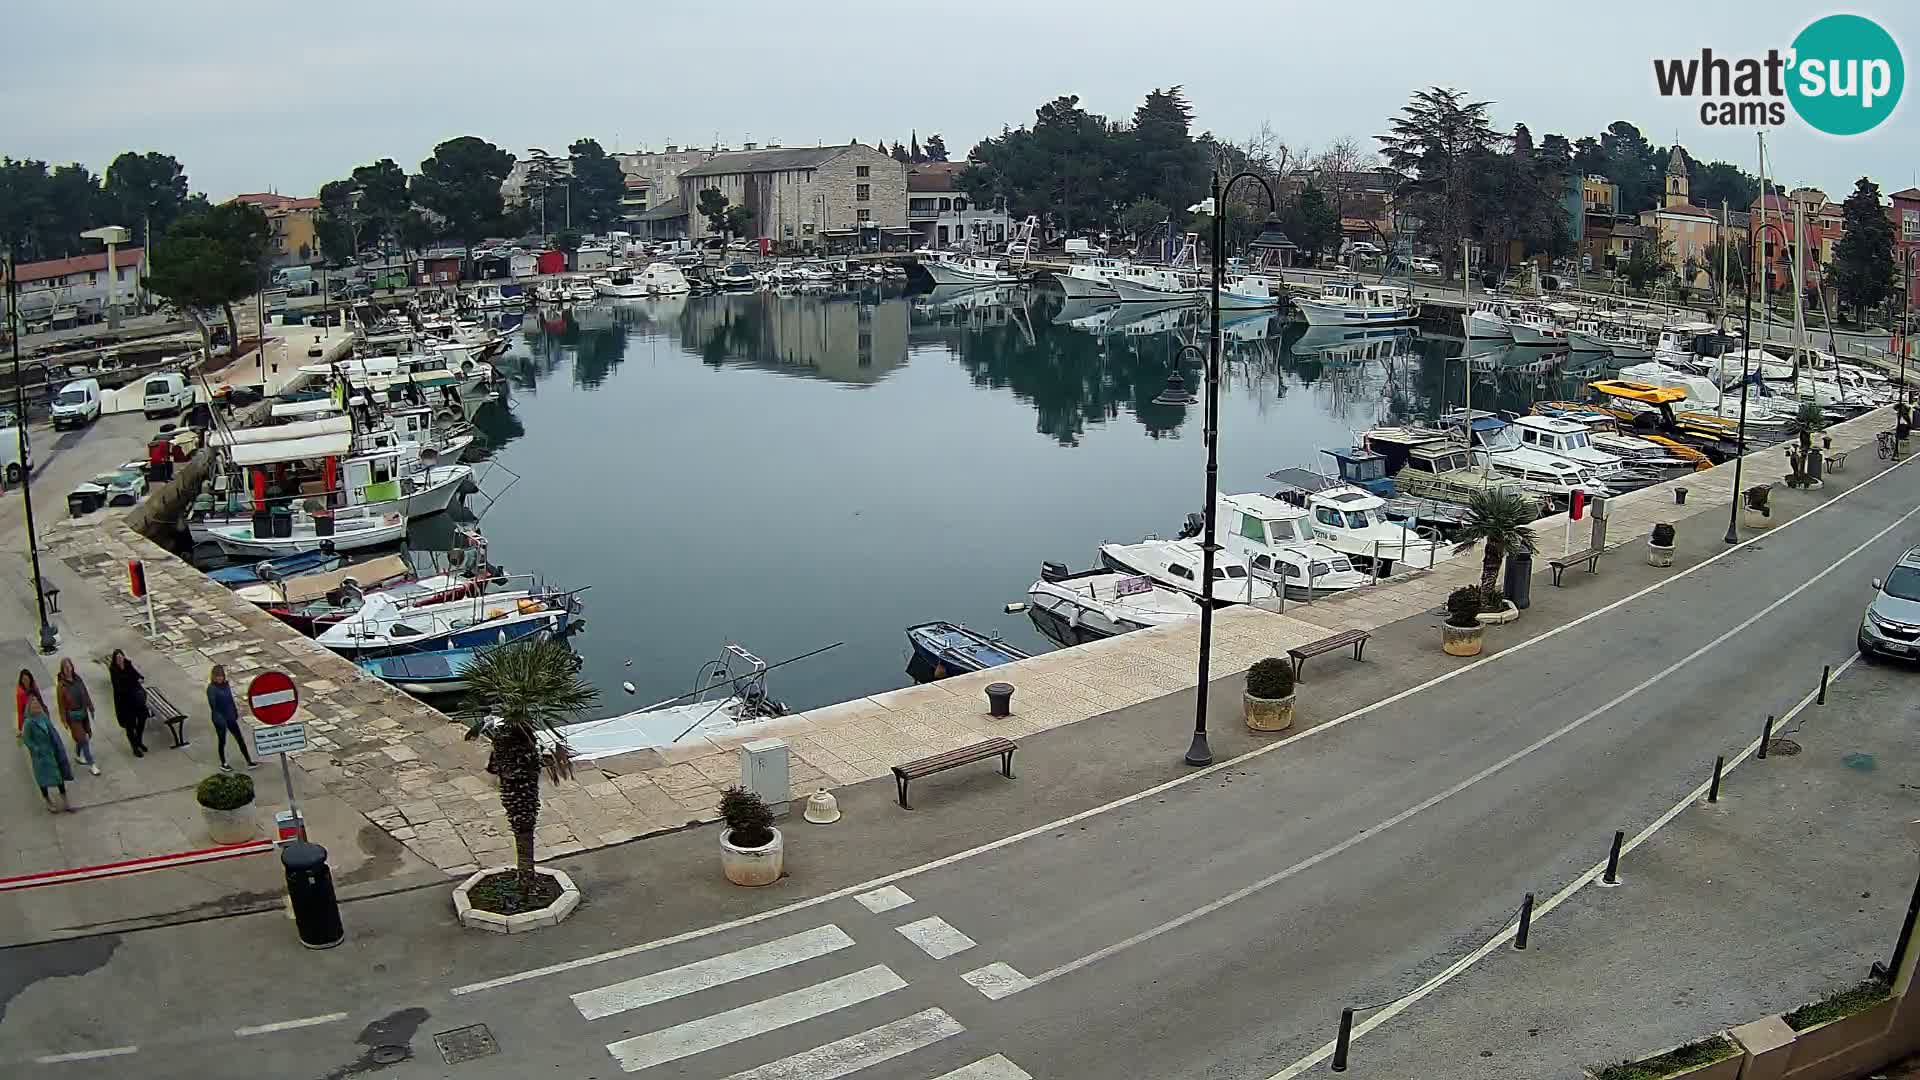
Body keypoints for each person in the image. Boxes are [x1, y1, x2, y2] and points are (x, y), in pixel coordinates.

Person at [17, 670, 73, 812]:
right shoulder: (29, 723)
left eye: (37, 704)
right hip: (40, 756)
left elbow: (53, 733)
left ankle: (65, 800)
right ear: (29, 708)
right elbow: (27, 739)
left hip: (51, 752)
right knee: (43, 780)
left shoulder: (43, 718)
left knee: (58, 777)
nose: (36, 707)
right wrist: (36, 750)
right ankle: (47, 800)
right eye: (33, 705)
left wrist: (58, 746)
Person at [54, 658, 100, 777]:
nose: (68, 669)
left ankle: (79, 756)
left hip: (83, 713)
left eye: (69, 666)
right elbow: (61, 704)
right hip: (73, 717)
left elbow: (85, 693)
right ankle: (92, 764)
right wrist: (63, 720)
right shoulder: (61, 686)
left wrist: (91, 707)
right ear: (62, 670)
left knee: (84, 737)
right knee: (83, 739)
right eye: (66, 668)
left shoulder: (78, 679)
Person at [206, 665, 254, 771]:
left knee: (240, 739)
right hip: (220, 719)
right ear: (213, 677)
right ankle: (223, 763)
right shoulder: (211, 689)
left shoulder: (226, 685)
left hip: (230, 716)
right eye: (217, 676)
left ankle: (249, 761)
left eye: (221, 676)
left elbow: (230, 700)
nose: (220, 678)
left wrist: (234, 712)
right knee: (222, 741)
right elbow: (214, 707)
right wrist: (221, 720)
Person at [107, 650, 153, 755]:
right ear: (115, 660)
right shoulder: (114, 670)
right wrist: (132, 682)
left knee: (142, 717)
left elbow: (135, 674)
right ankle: (134, 747)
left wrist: (140, 678)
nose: (120, 659)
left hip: (136, 700)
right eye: (117, 658)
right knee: (130, 725)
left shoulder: (128, 664)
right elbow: (119, 686)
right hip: (124, 703)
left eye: (121, 657)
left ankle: (139, 741)